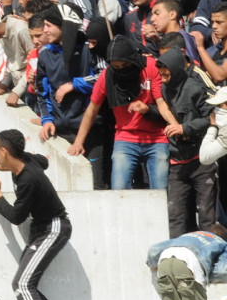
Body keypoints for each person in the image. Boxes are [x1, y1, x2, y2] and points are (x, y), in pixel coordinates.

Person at [0, 129, 82, 300]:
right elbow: (44, 161)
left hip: (53, 228)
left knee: (22, 285)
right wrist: (3, 165)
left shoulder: (28, 178)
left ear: (5, 151)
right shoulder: (27, 161)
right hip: (44, 229)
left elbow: (17, 216)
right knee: (26, 284)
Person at [70, 35, 177, 190]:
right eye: (116, 66)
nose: (121, 70)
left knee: (160, 191)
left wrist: (173, 124)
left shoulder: (151, 67)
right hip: (125, 138)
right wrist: (78, 142)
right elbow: (92, 109)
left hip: (157, 138)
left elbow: (162, 103)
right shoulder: (107, 75)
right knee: (119, 189)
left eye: (125, 65)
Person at [155, 50, 217, 238]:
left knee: (207, 217)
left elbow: (212, 119)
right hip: (177, 163)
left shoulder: (195, 88)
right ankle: (177, 255)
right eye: (161, 75)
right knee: (176, 216)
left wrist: (185, 128)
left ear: (176, 70)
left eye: (167, 75)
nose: (164, 79)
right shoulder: (165, 90)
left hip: (201, 161)